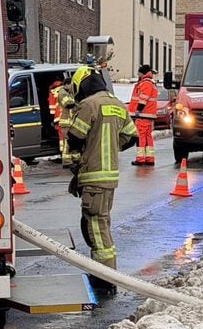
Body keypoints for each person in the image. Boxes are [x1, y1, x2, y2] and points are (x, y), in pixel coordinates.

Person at [66, 65, 138, 293]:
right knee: (103, 222)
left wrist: (82, 157)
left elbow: (75, 137)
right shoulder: (117, 105)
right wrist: (109, 147)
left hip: (94, 176)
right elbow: (131, 136)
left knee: (96, 225)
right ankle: (105, 272)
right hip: (110, 176)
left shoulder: (89, 105)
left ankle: (104, 277)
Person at [128, 64, 158, 166]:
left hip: (143, 114)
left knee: (140, 136)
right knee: (147, 136)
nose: (138, 75)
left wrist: (138, 110)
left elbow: (143, 98)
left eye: (139, 73)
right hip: (147, 114)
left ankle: (140, 159)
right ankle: (149, 158)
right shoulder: (149, 83)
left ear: (142, 73)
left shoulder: (146, 83)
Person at [51, 77, 77, 165]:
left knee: (72, 140)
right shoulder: (62, 93)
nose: (72, 87)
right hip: (65, 120)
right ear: (66, 84)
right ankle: (66, 160)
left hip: (69, 121)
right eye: (71, 85)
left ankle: (74, 158)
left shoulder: (68, 92)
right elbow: (69, 104)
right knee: (67, 141)